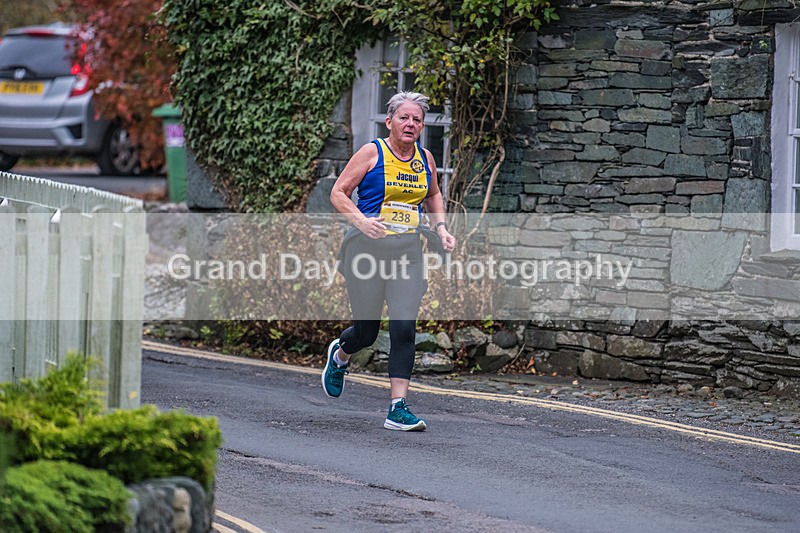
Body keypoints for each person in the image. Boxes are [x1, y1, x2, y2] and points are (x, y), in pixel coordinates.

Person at [324, 91, 456, 431]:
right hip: (366, 252)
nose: (411, 124)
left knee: (403, 327)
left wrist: (441, 229)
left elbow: (433, 194)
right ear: (390, 122)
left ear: (422, 126)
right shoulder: (372, 152)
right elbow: (338, 192)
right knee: (366, 333)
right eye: (404, 118)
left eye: (417, 120)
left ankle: (398, 407)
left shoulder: (424, 157)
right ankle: (341, 354)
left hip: (407, 252)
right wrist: (362, 221)